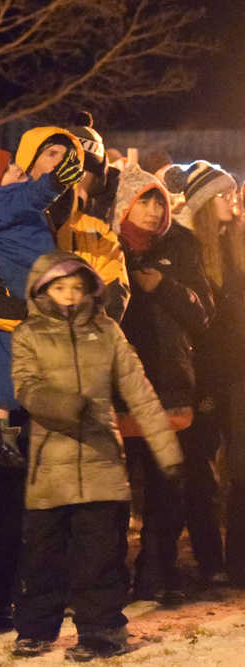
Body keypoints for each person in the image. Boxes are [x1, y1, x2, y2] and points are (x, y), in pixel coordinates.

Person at [0, 124, 128, 631]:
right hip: (14, 382)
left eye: (68, 156)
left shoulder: (97, 233)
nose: (58, 162)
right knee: (7, 499)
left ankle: (84, 596)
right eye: (49, 153)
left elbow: (115, 297)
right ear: (30, 162)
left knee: (83, 501)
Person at [10, 251, 182, 661]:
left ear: (89, 290)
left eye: (76, 287)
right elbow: (26, 387)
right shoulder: (28, 334)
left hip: (103, 464)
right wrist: (67, 406)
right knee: (42, 558)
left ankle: (102, 630)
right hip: (48, 469)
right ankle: (35, 627)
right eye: (59, 287)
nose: (69, 296)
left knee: (101, 558)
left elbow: (138, 388)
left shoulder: (108, 333)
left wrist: (165, 446)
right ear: (42, 289)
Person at [111, 161, 213, 603]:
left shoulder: (182, 245)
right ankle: (107, 574)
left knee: (165, 489)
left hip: (169, 384)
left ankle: (154, 571)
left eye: (159, 201)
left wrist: (163, 286)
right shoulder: (104, 248)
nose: (153, 211)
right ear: (124, 206)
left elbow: (203, 311)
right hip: (115, 386)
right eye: (144, 201)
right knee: (112, 490)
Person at [0, 145, 83, 463]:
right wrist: (54, 182)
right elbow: (32, 195)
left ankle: (8, 433)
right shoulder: (0, 204)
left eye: (13, 163)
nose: (17, 168)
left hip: (37, 299)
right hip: (21, 298)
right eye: (7, 169)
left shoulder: (8, 202)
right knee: (5, 364)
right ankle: (4, 434)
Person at [168, 161, 245, 585]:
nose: (233, 199)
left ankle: (234, 562)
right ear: (202, 203)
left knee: (237, 469)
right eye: (224, 194)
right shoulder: (187, 249)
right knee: (200, 470)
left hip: (235, 375)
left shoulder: (235, 246)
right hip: (199, 376)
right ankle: (210, 559)